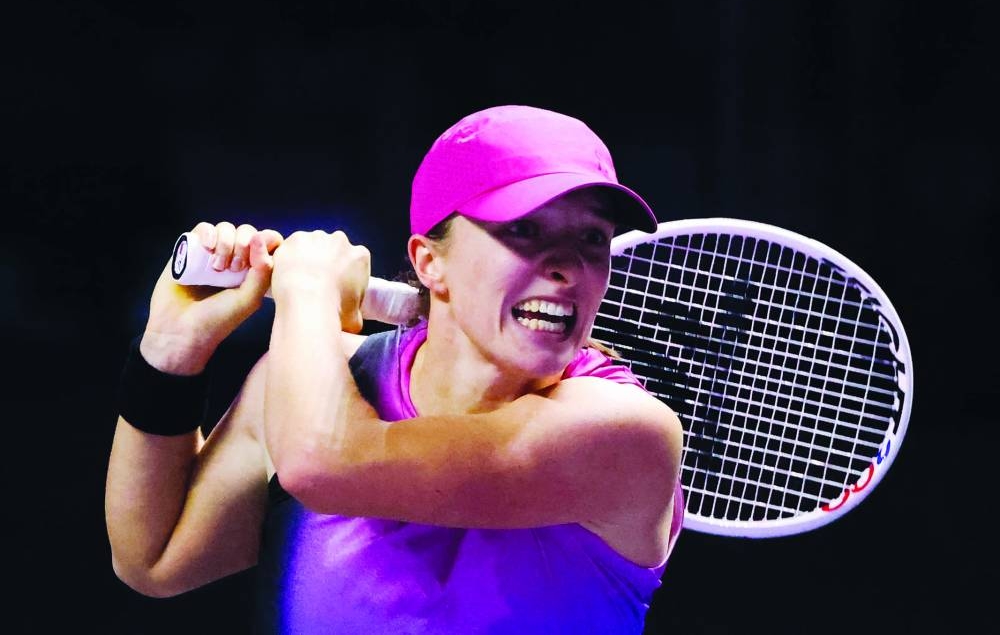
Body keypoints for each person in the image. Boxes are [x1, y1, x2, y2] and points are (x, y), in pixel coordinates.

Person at [106, 104, 685, 634]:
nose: (567, 266)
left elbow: (321, 467)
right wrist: (171, 352)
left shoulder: (623, 431)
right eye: (524, 228)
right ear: (429, 262)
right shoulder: (320, 382)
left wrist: (308, 289)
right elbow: (154, 559)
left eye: (591, 237)